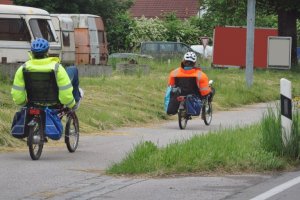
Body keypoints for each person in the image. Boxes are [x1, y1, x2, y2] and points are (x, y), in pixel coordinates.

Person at [11, 38, 83, 109]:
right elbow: (65, 94)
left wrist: (23, 104)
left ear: (32, 53)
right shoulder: (57, 68)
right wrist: (71, 105)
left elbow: (17, 96)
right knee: (73, 69)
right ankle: (76, 100)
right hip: (54, 104)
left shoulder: (23, 68)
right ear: (47, 52)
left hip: (32, 104)